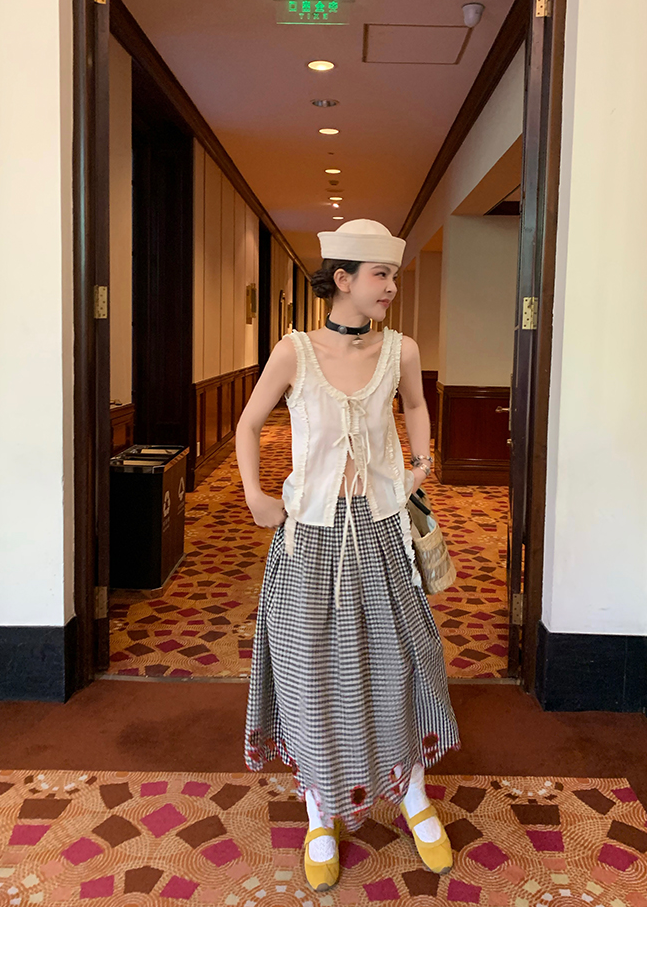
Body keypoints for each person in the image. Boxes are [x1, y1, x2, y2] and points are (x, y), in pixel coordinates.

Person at [235, 218, 460, 893]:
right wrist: (254, 495)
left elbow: (415, 406)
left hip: (383, 530)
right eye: (380, 275)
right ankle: (321, 813)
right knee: (310, 671)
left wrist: (421, 464)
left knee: (403, 660)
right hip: (311, 537)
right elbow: (248, 423)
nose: (390, 286)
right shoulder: (295, 352)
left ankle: (413, 795)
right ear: (343, 279)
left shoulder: (401, 350)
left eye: (392, 275)